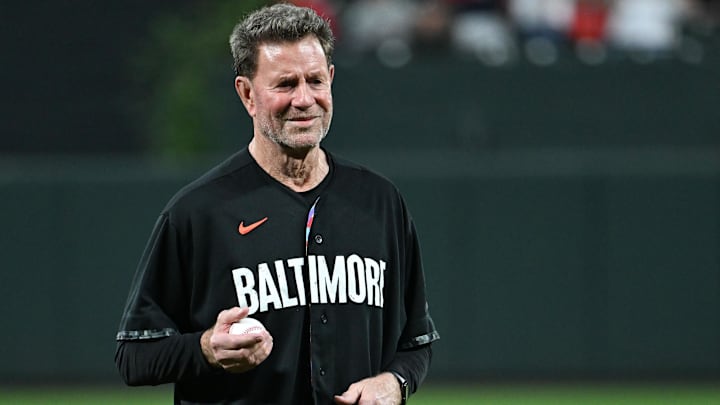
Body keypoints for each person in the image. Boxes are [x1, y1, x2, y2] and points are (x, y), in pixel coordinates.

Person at [114, 3, 440, 404]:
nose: (304, 99)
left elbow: (417, 341)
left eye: (315, 81)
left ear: (331, 80)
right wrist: (203, 348)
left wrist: (395, 382)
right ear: (247, 94)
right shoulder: (198, 213)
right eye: (285, 84)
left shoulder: (380, 203)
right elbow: (134, 355)